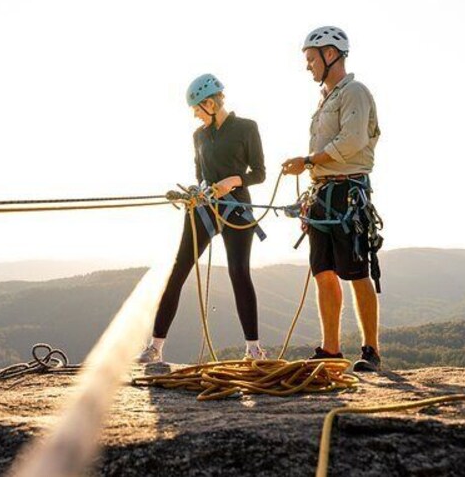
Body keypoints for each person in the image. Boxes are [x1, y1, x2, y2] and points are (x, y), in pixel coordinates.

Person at [138, 74, 267, 363]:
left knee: (238, 272)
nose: (195, 114)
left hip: (236, 208)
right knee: (179, 269)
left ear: (210, 102)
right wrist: (193, 193)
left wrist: (232, 181)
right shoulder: (198, 136)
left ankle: (254, 349)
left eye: (197, 108)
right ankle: (155, 347)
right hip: (205, 207)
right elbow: (200, 175)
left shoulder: (247, 128)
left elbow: (258, 173)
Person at [282, 26, 384, 372]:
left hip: (346, 191)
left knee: (356, 272)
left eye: (311, 59)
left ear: (330, 54)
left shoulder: (354, 92)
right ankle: (331, 350)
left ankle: (371, 350)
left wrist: (308, 161)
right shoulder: (326, 98)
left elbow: (351, 140)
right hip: (324, 192)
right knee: (323, 271)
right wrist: (311, 167)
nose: (308, 66)